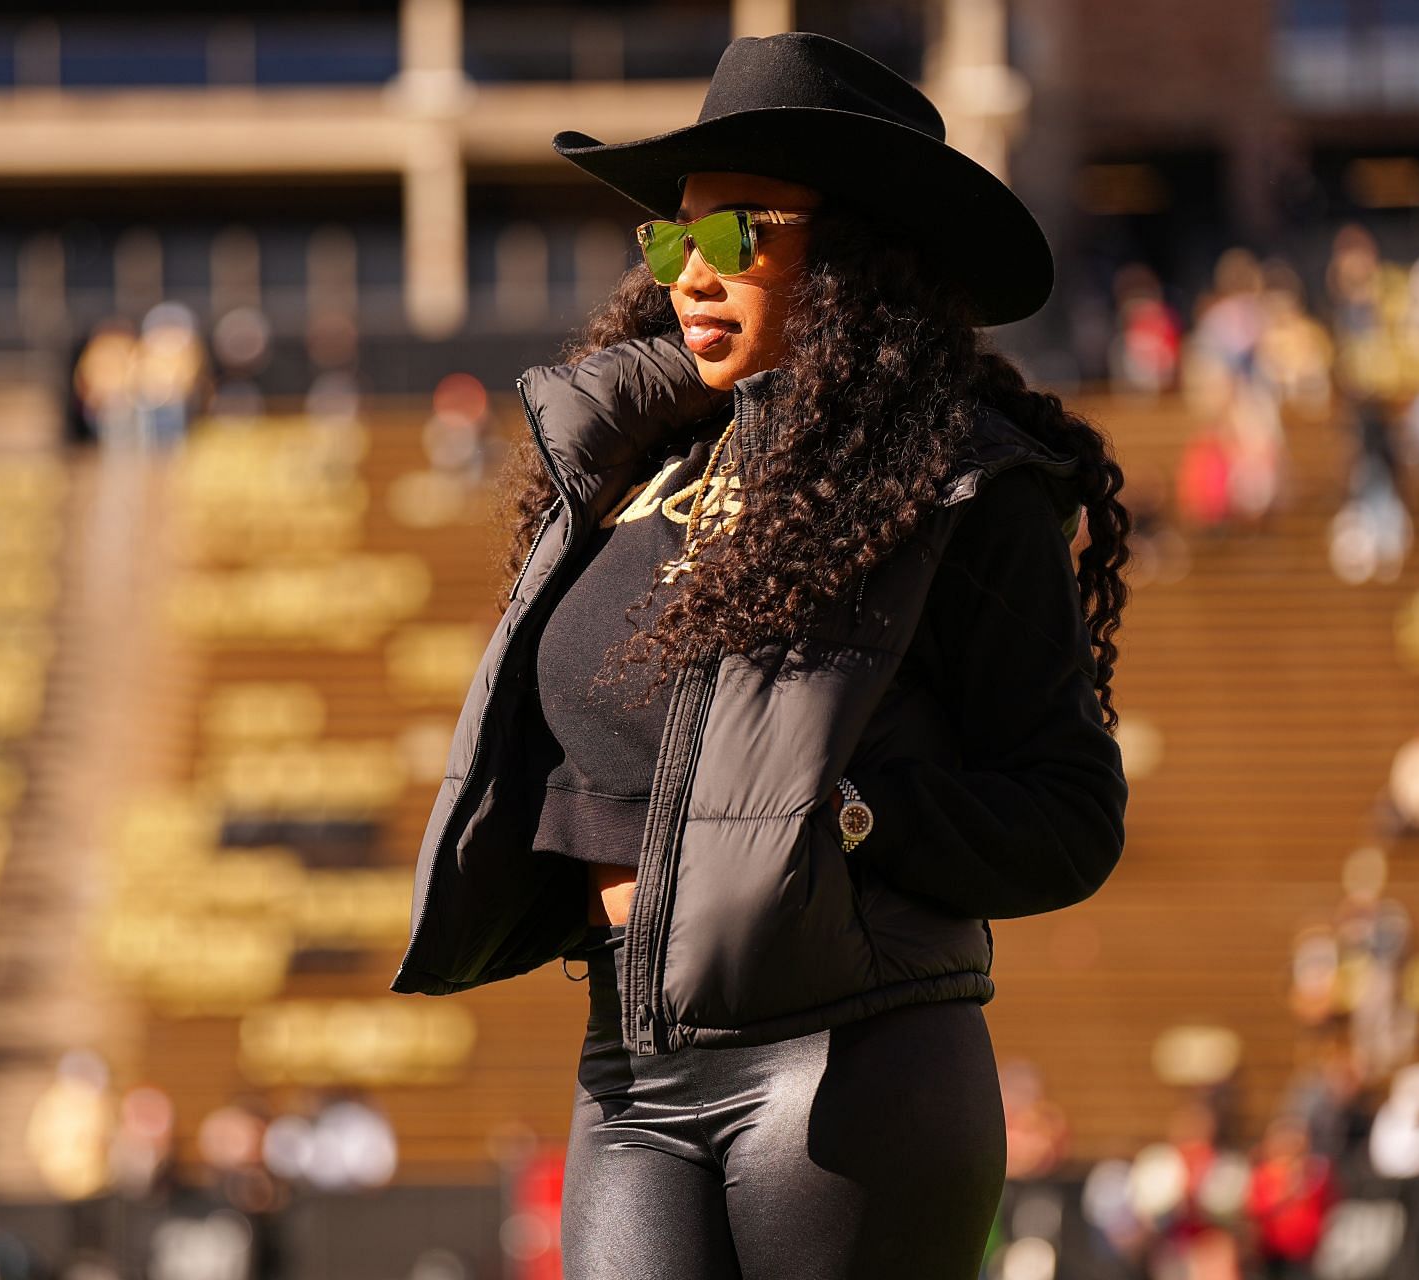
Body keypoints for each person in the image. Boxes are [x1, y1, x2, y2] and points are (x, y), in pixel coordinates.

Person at [389, 31, 1130, 1278]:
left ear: (854, 256)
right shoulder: (635, 461)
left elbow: (1070, 811)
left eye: (739, 234)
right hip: (626, 1056)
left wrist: (845, 816)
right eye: (672, 239)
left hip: (848, 1059)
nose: (691, 272)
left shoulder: (957, 482)